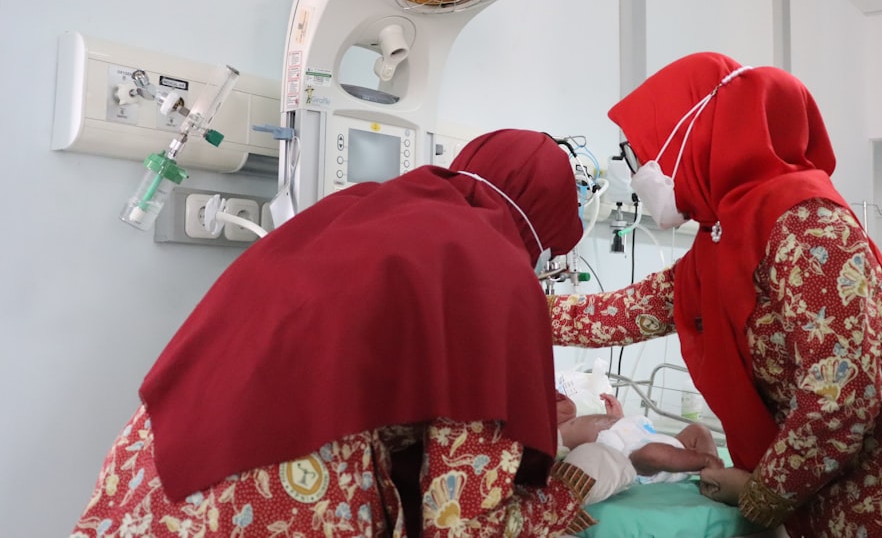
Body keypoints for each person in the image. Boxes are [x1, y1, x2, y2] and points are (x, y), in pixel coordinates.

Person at [70, 129, 611, 538]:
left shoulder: (364, 209)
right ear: (542, 230)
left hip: (152, 466)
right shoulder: (497, 273)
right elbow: (459, 521)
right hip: (278, 500)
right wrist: (574, 485)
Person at [548, 53, 882, 537]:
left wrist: (760, 492)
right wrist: (506, 303)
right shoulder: (721, 240)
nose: (637, 174)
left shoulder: (807, 225)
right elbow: (620, 313)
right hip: (832, 499)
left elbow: (843, 394)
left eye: (639, 155)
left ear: (693, 139)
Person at [557, 392, 723, 484]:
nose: (556, 392)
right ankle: (706, 461)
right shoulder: (553, 434)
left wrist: (618, 418)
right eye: (551, 397)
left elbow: (626, 432)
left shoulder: (577, 420)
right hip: (633, 460)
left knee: (699, 430)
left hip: (651, 440)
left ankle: (715, 476)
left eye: (558, 391)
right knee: (653, 454)